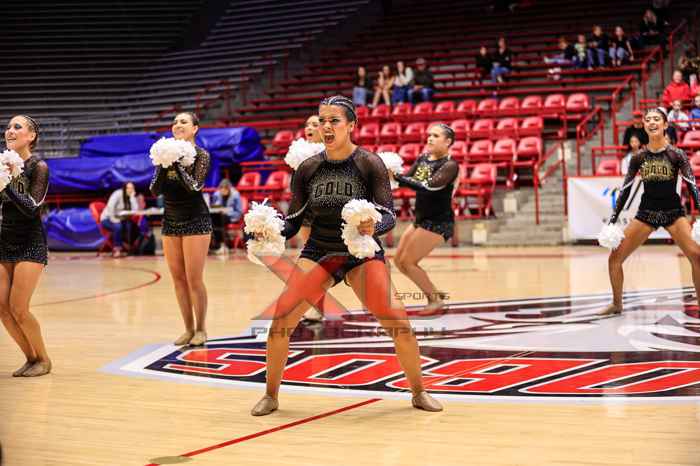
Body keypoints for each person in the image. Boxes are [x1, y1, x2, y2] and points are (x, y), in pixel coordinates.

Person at [250, 95, 443, 415]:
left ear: (351, 125)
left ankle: (419, 391)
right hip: (319, 251)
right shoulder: (307, 169)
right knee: (281, 322)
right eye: (322, 121)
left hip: (361, 253)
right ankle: (270, 395)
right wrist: (268, 231)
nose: (326, 127)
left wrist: (373, 226)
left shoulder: (369, 163)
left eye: (334, 121)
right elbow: (294, 221)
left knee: (399, 323)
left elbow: (389, 215)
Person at [600, 108, 700, 316]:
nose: (652, 122)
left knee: (697, 256)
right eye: (648, 120)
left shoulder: (677, 154)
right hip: (646, 213)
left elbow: (692, 186)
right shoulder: (638, 157)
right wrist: (613, 220)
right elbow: (626, 190)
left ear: (665, 125)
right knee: (614, 258)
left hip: (673, 213)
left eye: (656, 119)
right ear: (644, 126)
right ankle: (616, 304)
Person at [150, 112, 212, 347]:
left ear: (195, 128)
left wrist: (176, 163)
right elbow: (155, 190)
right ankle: (188, 329)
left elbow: (195, 187)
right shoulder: (163, 154)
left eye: (183, 122)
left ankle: (201, 329)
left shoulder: (202, 155)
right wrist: (165, 164)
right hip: (170, 221)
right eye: (175, 122)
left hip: (196, 220)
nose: (177, 125)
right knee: (178, 279)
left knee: (194, 279)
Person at [0, 115, 52, 377]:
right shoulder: (2, 166)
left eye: (17, 127)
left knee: (19, 308)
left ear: (31, 136)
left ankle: (44, 359)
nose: (10, 131)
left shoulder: (38, 167)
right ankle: (30, 358)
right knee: (2, 308)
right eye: (8, 127)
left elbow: (32, 208)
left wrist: (7, 182)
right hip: (3, 240)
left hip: (30, 242)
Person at [390, 124, 459, 315]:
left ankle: (435, 300)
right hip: (420, 219)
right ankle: (434, 293)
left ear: (448, 142)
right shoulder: (423, 159)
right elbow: (407, 179)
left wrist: (396, 176)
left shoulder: (450, 166)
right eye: (429, 135)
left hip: (439, 222)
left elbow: (428, 187)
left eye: (435, 136)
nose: (430, 138)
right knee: (399, 261)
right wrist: (386, 175)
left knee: (408, 262)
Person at [100, 182, 139, 258]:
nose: (130, 190)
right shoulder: (117, 194)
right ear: (124, 188)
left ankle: (129, 247)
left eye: (132, 188)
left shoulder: (130, 197)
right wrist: (114, 219)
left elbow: (135, 210)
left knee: (133, 226)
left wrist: (132, 197)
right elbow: (110, 207)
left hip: (121, 219)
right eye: (128, 188)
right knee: (118, 226)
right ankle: (117, 250)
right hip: (107, 218)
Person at [209, 179, 243, 255]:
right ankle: (217, 245)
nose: (223, 191)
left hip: (232, 216)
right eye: (221, 189)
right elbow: (214, 207)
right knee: (212, 219)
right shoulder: (217, 194)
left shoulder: (235, 195)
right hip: (219, 216)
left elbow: (239, 211)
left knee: (219, 220)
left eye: (225, 189)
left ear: (229, 189)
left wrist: (227, 212)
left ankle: (221, 244)